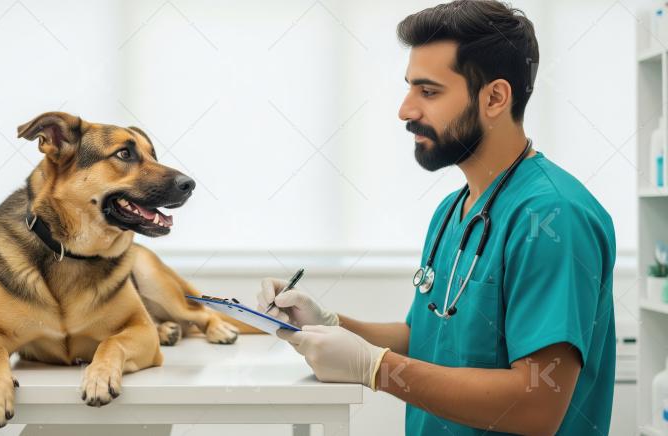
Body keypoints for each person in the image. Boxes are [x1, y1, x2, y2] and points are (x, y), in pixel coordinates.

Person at [258, 1, 616, 434]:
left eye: (428, 92)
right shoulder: (453, 211)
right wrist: (330, 324)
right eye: (410, 88)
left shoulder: (554, 219)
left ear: (495, 97)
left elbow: (537, 405)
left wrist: (378, 369)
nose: (406, 110)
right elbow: (430, 340)